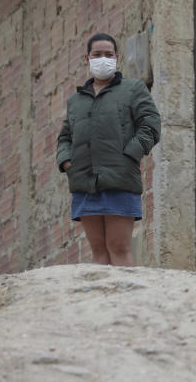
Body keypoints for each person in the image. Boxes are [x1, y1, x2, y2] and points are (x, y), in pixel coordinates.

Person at [57, 33, 161, 266]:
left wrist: (128, 156)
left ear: (117, 57)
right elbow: (65, 137)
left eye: (108, 54)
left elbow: (151, 125)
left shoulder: (133, 89)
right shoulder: (76, 100)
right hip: (84, 182)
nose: (102, 59)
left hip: (120, 180)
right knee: (98, 250)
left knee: (119, 247)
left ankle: (126, 299)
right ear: (87, 58)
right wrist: (67, 163)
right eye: (97, 54)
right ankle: (102, 301)